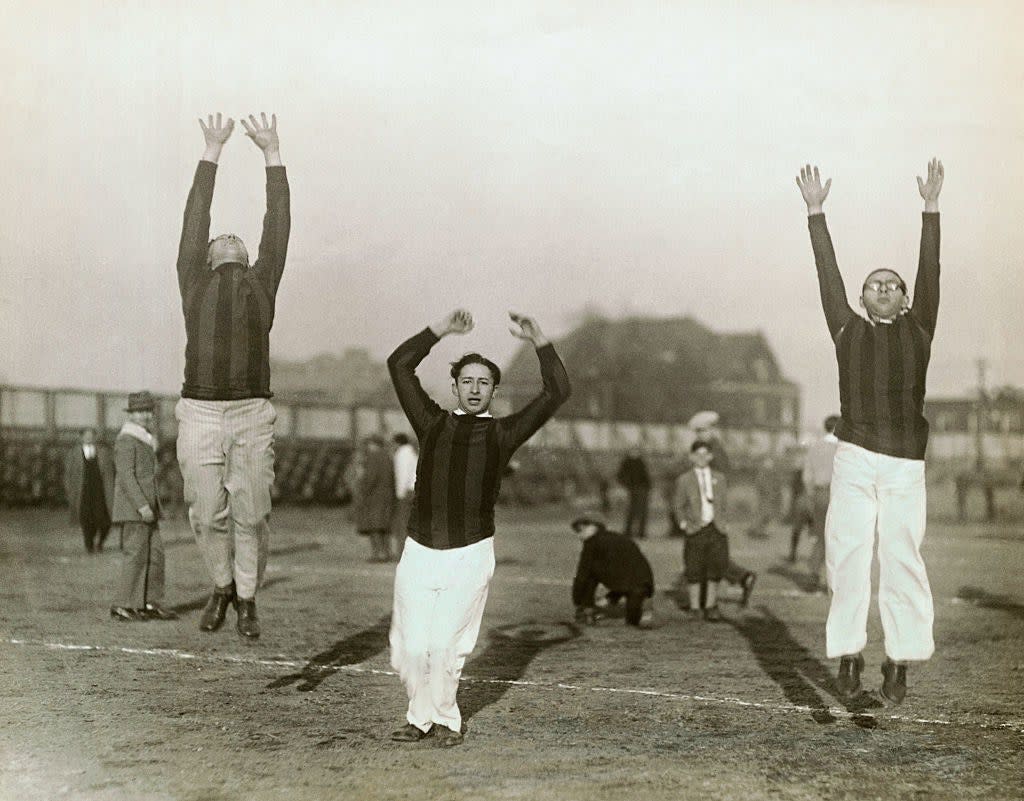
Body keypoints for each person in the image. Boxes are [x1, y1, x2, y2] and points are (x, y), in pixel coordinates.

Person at [386, 309, 570, 747]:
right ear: (454, 387)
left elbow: (557, 390)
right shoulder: (430, 424)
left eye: (483, 382)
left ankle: (445, 721)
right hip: (419, 550)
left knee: (448, 645)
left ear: (494, 390)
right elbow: (399, 364)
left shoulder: (504, 434)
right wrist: (440, 330)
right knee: (411, 648)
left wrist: (539, 339)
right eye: (466, 381)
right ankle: (419, 716)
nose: (474, 389)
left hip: (469, 552)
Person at [797, 158, 943, 704]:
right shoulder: (846, 330)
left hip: (905, 464)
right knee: (847, 553)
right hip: (856, 457)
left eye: (892, 285)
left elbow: (930, 272)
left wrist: (930, 210)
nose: (883, 289)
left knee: (903, 558)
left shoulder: (920, 329)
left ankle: (899, 662)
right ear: (860, 300)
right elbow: (827, 275)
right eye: (873, 286)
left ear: (906, 299)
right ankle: (850, 656)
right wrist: (816, 213)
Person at [173, 112, 290, 640]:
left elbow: (278, 225)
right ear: (208, 255)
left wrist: (272, 155)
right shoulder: (193, 281)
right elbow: (195, 218)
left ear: (244, 256)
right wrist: (212, 151)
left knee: (253, 514)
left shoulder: (262, 282)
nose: (224, 238)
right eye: (217, 239)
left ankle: (246, 598)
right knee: (206, 512)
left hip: (250, 411)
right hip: (198, 408)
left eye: (233, 239)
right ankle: (222, 586)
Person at [110, 392, 176, 622]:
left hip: (148, 508)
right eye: (140, 411)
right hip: (135, 509)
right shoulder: (127, 439)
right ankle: (123, 604)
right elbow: (127, 477)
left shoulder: (144, 439)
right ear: (131, 415)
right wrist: (141, 506)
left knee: (156, 555)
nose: (145, 415)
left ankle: (151, 602)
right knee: (135, 555)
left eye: (148, 411)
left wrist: (151, 507)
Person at [674, 441, 730, 621]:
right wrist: (684, 524)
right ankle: (695, 607)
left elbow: (723, 504)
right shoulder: (684, 480)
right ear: (691, 457)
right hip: (696, 529)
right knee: (694, 567)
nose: (701, 458)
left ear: (711, 456)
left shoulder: (719, 478)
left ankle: (711, 605)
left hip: (716, 529)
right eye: (698, 454)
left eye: (705, 454)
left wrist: (724, 522)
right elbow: (678, 506)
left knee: (715, 567)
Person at [571, 515, 654, 628]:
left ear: (593, 527)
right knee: (633, 621)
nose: (579, 535)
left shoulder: (591, 543)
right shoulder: (620, 538)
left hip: (627, 584)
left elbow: (582, 575)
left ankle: (587, 610)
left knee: (589, 574)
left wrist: (578, 601)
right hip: (642, 583)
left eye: (580, 530)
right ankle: (643, 610)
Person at [801, 415, 841, 592]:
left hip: (819, 495)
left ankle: (813, 575)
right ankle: (835, 580)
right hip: (837, 495)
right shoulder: (842, 449)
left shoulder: (814, 447)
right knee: (839, 538)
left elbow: (806, 476)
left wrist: (812, 495)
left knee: (820, 535)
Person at [63, 427, 115, 553]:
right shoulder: (73, 454)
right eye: (86, 435)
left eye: (91, 435)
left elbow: (111, 473)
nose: (89, 438)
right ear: (81, 437)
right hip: (83, 492)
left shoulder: (104, 452)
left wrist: (111, 489)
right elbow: (68, 474)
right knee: (86, 520)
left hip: (101, 492)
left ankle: (100, 542)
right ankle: (89, 545)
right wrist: (70, 491)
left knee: (105, 521)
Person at [355, 436, 396, 562]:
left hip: (374, 496)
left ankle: (377, 554)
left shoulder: (373, 457)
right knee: (384, 526)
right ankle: (387, 552)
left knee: (374, 526)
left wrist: (363, 490)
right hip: (387, 495)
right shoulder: (388, 456)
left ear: (373, 444)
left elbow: (371, 477)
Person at [390, 433, 418, 561]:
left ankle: (402, 553)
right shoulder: (411, 452)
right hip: (414, 490)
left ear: (397, 443)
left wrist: (400, 494)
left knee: (402, 523)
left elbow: (403, 475)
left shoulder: (402, 454)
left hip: (407, 492)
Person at [616, 447, 651, 538]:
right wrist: (628, 485)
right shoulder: (629, 462)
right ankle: (633, 532)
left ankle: (639, 532)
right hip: (636, 489)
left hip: (641, 489)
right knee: (633, 511)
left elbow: (646, 476)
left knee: (640, 511)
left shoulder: (638, 462)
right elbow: (620, 476)